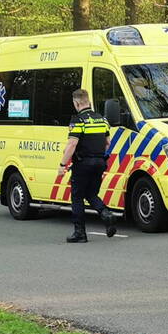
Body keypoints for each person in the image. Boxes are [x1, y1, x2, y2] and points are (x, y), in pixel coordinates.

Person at [57, 89, 117, 243]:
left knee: (77, 197)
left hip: (83, 163)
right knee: (91, 194)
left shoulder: (78, 120)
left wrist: (62, 164)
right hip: (99, 163)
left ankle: (80, 233)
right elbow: (108, 142)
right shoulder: (102, 120)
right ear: (88, 102)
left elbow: (72, 144)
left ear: (76, 103)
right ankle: (106, 214)